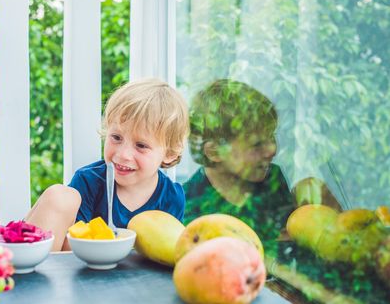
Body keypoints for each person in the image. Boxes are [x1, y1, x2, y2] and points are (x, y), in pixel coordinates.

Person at [25, 78, 190, 251]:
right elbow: (70, 250)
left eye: (141, 145)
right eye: (116, 138)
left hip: (136, 277)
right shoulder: (89, 182)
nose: (123, 154)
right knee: (60, 196)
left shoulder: (172, 196)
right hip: (86, 271)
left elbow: (168, 251)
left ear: (170, 153)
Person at [184, 79, 294, 257]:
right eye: (256, 144)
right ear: (214, 152)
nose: (272, 150)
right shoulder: (189, 205)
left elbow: (287, 240)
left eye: (271, 136)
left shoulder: (273, 178)